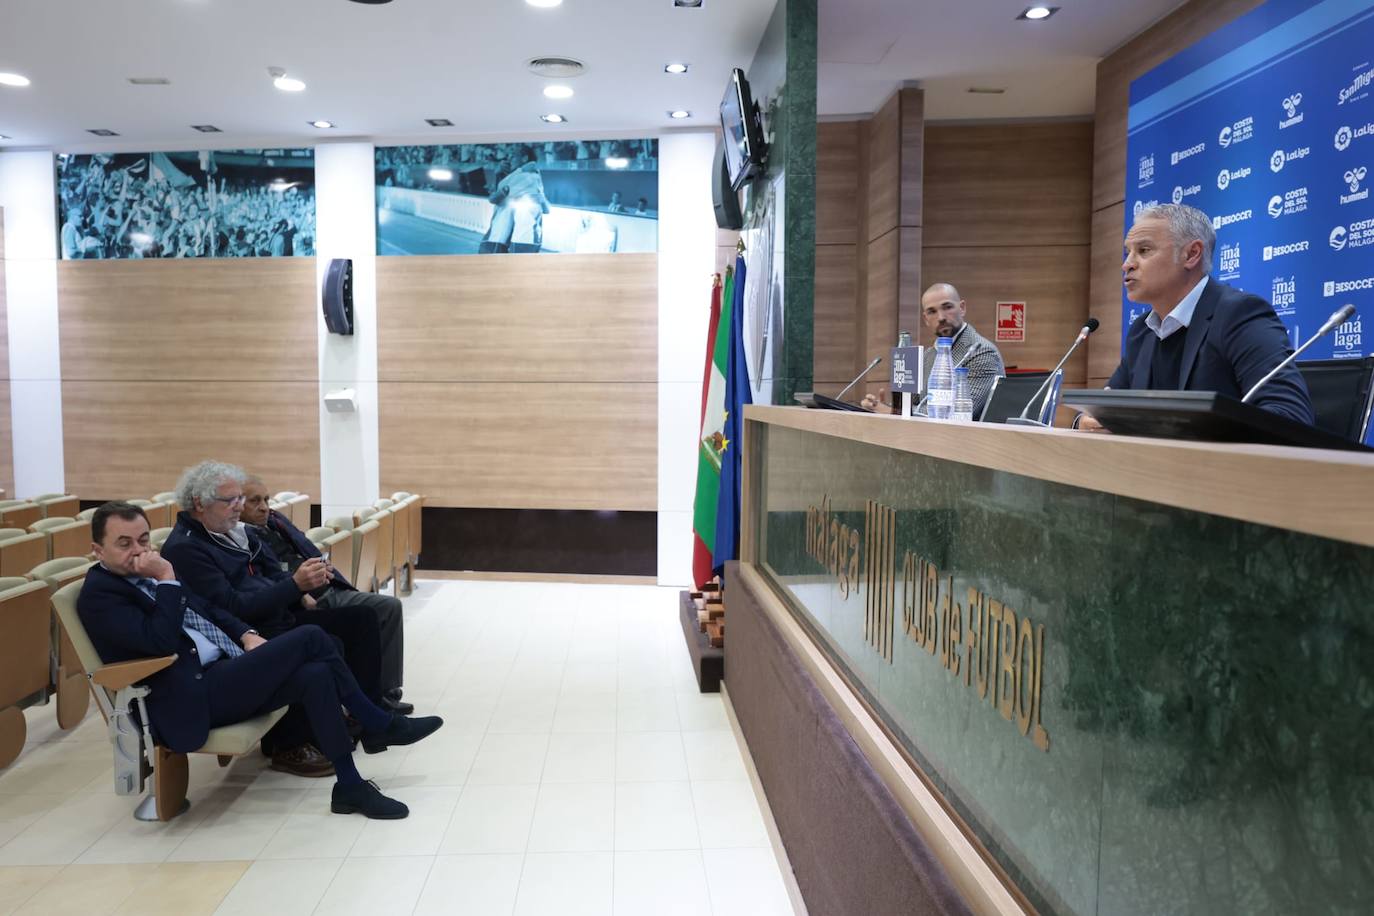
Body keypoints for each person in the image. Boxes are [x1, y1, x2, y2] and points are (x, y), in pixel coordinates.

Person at [77, 501, 443, 819]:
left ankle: (349, 785)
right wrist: (167, 579)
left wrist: (244, 633)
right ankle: (377, 722)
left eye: (142, 540)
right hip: (191, 695)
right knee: (312, 637)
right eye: (123, 544)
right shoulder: (101, 596)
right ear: (97, 550)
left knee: (314, 674)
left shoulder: (147, 575)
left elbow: (208, 610)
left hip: (223, 670)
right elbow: (160, 639)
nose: (138, 551)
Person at [161, 460, 393, 774]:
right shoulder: (186, 548)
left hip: (276, 614)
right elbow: (232, 606)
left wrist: (301, 588)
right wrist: (294, 586)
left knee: (361, 619)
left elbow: (271, 572)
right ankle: (290, 744)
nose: (238, 507)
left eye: (239, 499)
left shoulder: (233, 531)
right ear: (200, 503)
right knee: (326, 642)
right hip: (249, 630)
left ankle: (367, 718)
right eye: (230, 501)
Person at [1076, 203, 1313, 431]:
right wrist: (1087, 422)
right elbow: (1103, 408)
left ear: (1191, 254)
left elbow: (1291, 414)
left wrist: (1189, 429)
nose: (1126, 265)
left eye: (1144, 251)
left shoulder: (1238, 315)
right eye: (1128, 253)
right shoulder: (1142, 330)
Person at [238, 477, 410, 715]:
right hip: (307, 599)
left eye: (266, 499)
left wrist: (323, 567)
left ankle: (384, 694)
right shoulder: (242, 536)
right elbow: (265, 577)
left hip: (326, 586)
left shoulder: (276, 520)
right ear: (237, 504)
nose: (264, 506)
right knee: (385, 608)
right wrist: (298, 593)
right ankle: (374, 701)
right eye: (254, 501)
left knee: (383, 609)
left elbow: (303, 548)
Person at [861, 283, 1006, 416]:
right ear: (925, 319)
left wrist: (894, 412)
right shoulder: (928, 355)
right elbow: (915, 403)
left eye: (947, 307)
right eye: (932, 312)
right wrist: (882, 406)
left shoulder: (982, 352)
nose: (941, 317)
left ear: (962, 308)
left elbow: (959, 411)